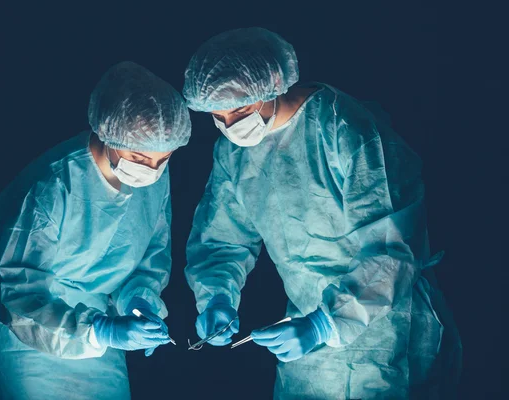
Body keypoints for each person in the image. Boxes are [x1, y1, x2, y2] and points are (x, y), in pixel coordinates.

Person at [183, 27, 459, 399]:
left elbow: (392, 249)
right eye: (219, 117)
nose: (231, 127)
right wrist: (217, 297)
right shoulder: (233, 154)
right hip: (308, 337)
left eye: (241, 110)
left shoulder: (345, 128)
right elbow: (220, 239)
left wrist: (327, 323)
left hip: (385, 330)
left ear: (273, 83)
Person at [0, 61, 191, 400]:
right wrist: (99, 330)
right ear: (109, 132)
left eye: (163, 159)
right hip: (17, 319)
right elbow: (15, 292)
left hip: (92, 314)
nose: (152, 170)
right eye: (140, 156)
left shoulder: (153, 182)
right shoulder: (53, 183)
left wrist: (139, 301)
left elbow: (151, 255)